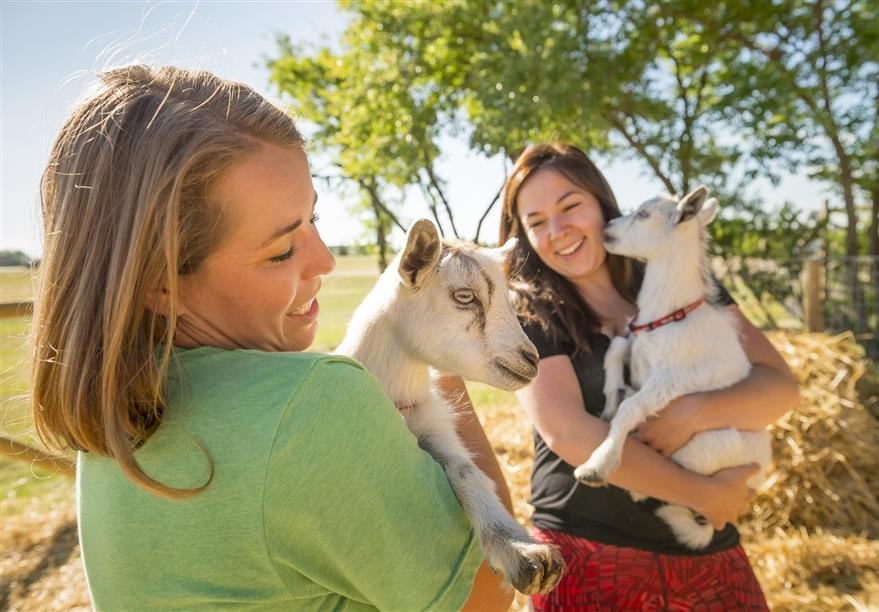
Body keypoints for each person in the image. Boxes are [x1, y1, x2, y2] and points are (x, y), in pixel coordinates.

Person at [31, 65, 512, 611]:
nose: (325, 261)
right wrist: (434, 353)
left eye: (314, 219)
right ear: (160, 283)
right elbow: (490, 595)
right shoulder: (313, 404)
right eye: (282, 250)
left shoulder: (115, 416)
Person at [497, 143, 800, 610]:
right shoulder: (527, 315)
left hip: (706, 551)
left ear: (602, 203)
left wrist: (691, 413)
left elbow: (778, 388)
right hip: (590, 556)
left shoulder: (689, 286)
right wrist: (706, 493)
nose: (558, 231)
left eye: (571, 206)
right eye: (536, 222)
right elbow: (569, 434)